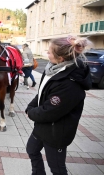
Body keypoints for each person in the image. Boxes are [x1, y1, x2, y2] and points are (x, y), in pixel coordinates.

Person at [25, 36, 92, 175]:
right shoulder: (53, 69)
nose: (46, 53)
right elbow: (42, 92)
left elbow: (51, 110)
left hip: (56, 133)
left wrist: (31, 113)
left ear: (61, 58)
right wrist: (30, 107)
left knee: (56, 167)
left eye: (49, 52)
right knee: (32, 150)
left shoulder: (69, 83)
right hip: (42, 126)